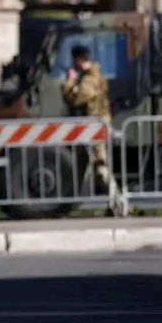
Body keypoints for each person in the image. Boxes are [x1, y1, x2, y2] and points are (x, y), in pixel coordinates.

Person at [60, 44, 119, 204]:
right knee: (79, 167)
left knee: (100, 168)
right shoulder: (88, 76)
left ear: (78, 59)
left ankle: (116, 201)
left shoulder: (90, 78)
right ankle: (68, 203)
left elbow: (75, 99)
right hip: (89, 128)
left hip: (94, 129)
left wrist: (69, 82)